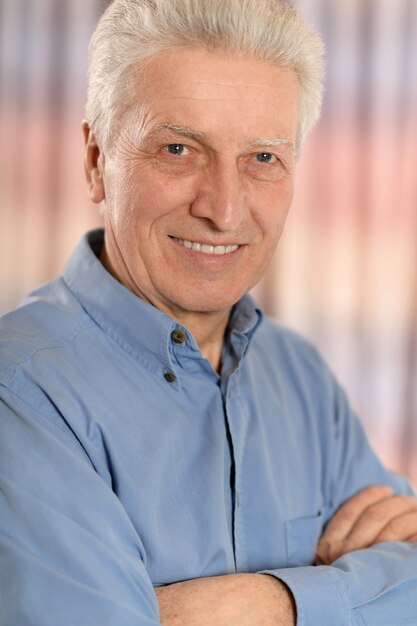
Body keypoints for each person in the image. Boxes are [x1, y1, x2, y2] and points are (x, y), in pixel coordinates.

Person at [0, 0, 416, 624]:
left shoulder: (302, 378)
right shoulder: (22, 392)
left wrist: (271, 604)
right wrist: (350, 592)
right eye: (177, 149)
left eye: (264, 158)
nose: (224, 210)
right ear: (96, 163)